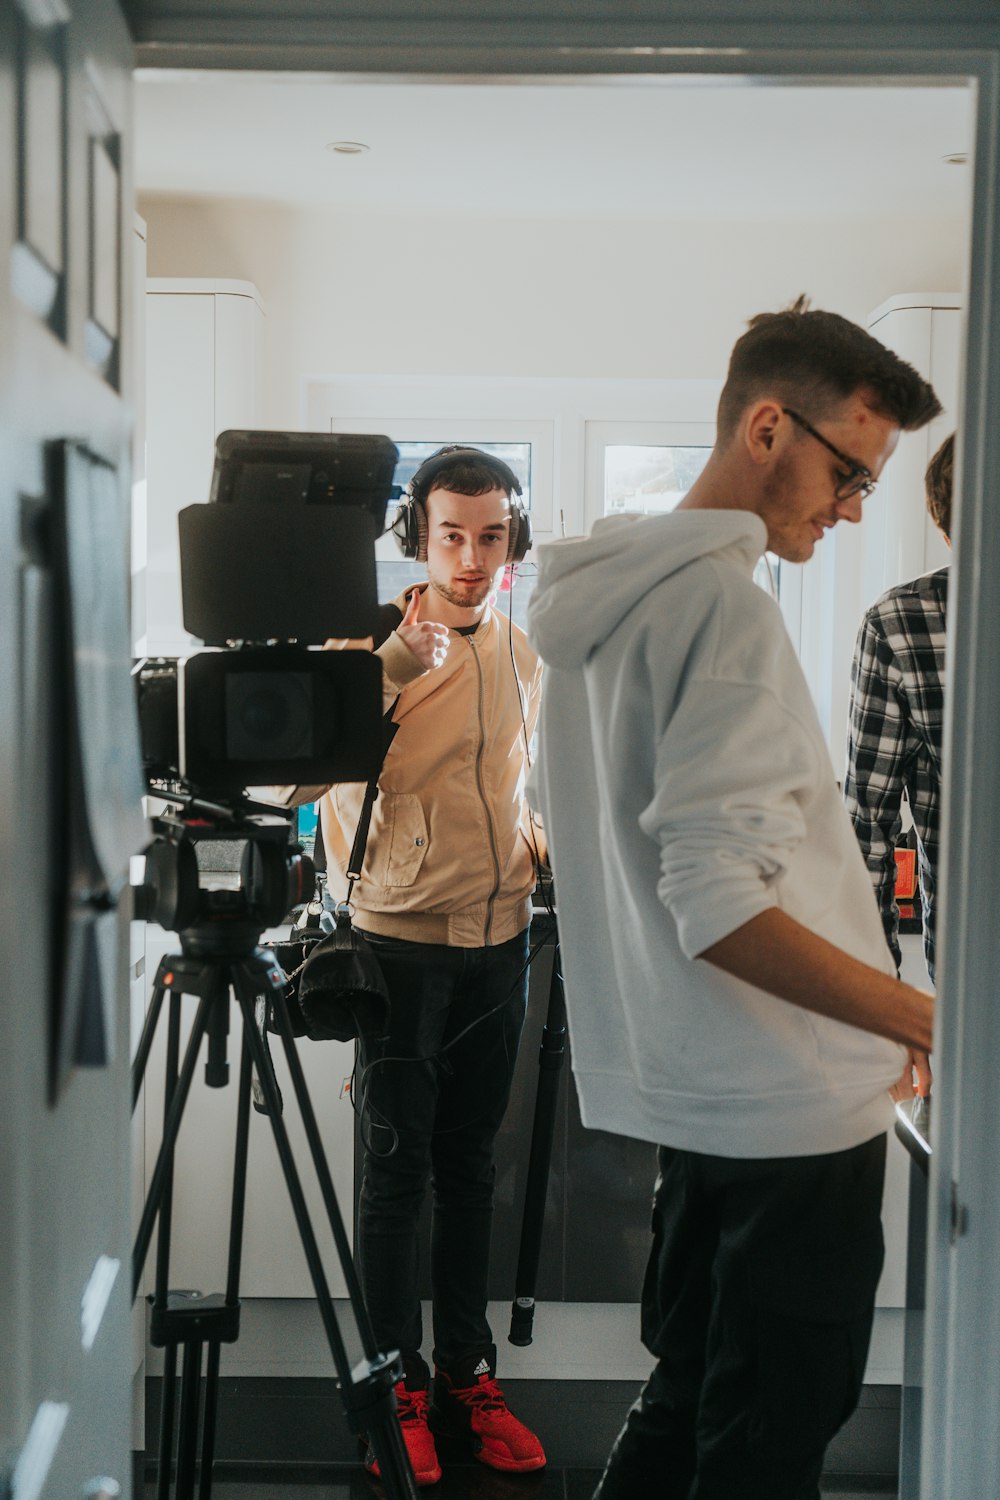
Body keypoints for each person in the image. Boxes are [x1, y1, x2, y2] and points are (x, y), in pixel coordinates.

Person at [524, 298, 940, 1500]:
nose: (854, 506)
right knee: (768, 1436)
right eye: (849, 470)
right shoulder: (722, 610)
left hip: (705, 1099)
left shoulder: (597, 601)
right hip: (787, 1114)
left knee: (694, 1387)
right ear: (768, 425)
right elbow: (719, 905)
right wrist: (917, 1018)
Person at [274, 446, 546, 1487]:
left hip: (503, 944)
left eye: (490, 536)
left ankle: (465, 1379)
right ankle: (394, 1384)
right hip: (396, 946)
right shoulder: (369, 646)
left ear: (508, 541)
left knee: (472, 1171)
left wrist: (542, 855)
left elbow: (516, 791)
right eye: (451, 537)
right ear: (417, 542)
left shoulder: (523, 653)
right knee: (396, 1177)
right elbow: (299, 778)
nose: (472, 558)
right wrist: (388, 672)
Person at [844, 432, 953, 985]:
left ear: (942, 525)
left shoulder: (902, 623)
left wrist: (880, 1002)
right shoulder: (899, 625)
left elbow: (869, 827)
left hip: (970, 967)